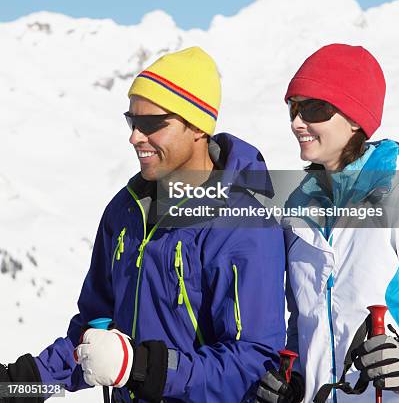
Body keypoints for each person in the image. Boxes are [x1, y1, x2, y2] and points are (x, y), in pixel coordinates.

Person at [1, 46, 286, 403]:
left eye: (151, 124)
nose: (135, 137)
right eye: (132, 121)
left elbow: (253, 364)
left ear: (197, 126)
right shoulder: (125, 211)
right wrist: (20, 384)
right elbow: (95, 331)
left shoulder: (243, 225)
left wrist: (142, 368)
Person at [256, 44, 399, 403]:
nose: (297, 122)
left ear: (355, 119)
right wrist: (292, 379)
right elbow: (303, 323)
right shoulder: (297, 212)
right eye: (294, 108)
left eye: (314, 109)